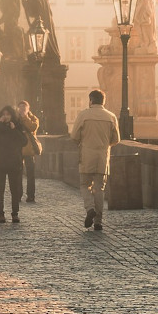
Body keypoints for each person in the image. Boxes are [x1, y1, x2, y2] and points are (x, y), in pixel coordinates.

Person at [70, 89, 120, 231]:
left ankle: (90, 208)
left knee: (84, 185)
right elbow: (116, 139)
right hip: (103, 157)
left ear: (91, 100)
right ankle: (98, 222)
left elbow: (74, 137)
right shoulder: (111, 116)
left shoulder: (84, 115)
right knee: (100, 189)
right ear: (103, 101)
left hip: (86, 156)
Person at [0, 106, 29, 223]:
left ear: (12, 115)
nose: (5, 116)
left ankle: (15, 213)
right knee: (0, 189)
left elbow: (24, 141)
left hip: (13, 162)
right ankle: (0, 214)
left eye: (8, 114)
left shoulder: (17, 126)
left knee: (14, 190)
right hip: (1, 162)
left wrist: (14, 130)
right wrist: (0, 125)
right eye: (3, 114)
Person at [17, 100, 41, 202]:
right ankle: (17, 195)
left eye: (24, 108)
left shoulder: (33, 118)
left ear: (28, 109)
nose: (22, 110)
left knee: (30, 175)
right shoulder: (15, 119)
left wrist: (25, 117)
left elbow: (33, 127)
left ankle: (31, 195)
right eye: (20, 108)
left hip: (29, 150)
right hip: (17, 150)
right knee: (17, 174)